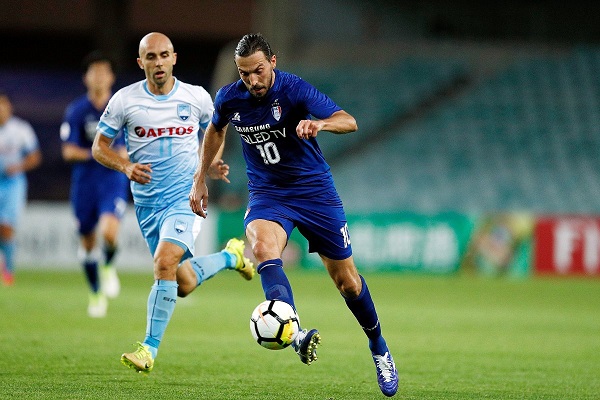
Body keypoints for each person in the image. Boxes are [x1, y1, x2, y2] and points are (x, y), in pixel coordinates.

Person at [189, 33, 399, 397]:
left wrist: (320, 124)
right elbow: (215, 129)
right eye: (243, 74)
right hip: (268, 194)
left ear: (273, 61)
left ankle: (378, 346)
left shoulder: (294, 90)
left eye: (257, 71)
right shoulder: (229, 97)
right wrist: (200, 177)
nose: (252, 81)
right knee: (262, 247)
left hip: (315, 192)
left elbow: (348, 120)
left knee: (347, 283)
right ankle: (295, 331)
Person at [91, 32, 255, 373]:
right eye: (151, 57)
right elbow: (99, 147)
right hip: (147, 204)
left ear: (174, 58)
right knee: (182, 282)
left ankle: (148, 349)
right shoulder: (125, 101)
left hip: (186, 196)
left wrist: (206, 166)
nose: (159, 62)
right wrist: (124, 165)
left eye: (164, 55)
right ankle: (231, 256)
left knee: (164, 261)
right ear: (141, 63)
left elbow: (217, 131)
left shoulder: (195, 97)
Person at [60, 51, 129, 317]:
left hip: (112, 179)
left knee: (110, 233)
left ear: (111, 77)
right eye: (94, 71)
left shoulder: (121, 109)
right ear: (85, 77)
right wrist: (100, 153)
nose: (99, 76)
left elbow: (132, 144)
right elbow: (68, 151)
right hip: (85, 183)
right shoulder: (77, 110)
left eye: (104, 71)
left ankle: (109, 266)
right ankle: (95, 293)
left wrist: (124, 157)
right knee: (88, 243)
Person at [0, 91, 42, 286]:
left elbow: (35, 156)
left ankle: (8, 269)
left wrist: (17, 167)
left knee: (7, 228)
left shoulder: (20, 129)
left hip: (13, 183)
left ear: (9, 107)